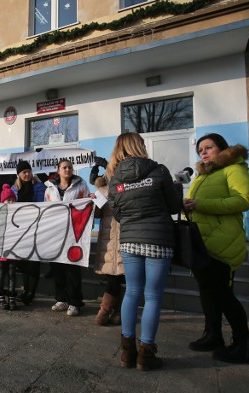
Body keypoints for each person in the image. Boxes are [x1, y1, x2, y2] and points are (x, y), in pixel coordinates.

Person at [107, 132, 181, 371]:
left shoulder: (115, 179)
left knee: (131, 292)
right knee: (153, 296)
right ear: (139, 146)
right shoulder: (159, 170)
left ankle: (127, 353)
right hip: (158, 238)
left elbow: (118, 214)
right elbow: (173, 206)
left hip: (130, 240)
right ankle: (146, 354)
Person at [184, 133, 249, 364]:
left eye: (209, 147)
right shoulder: (203, 175)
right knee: (207, 292)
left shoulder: (234, 169)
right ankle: (213, 335)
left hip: (223, 243)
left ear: (222, 148)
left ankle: (243, 345)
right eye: (200, 150)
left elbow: (242, 201)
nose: (203, 152)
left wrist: (199, 204)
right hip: (203, 243)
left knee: (223, 295)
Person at [44, 159, 90, 317]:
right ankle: (61, 299)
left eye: (70, 167)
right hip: (55, 233)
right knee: (57, 268)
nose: (67, 170)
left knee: (72, 268)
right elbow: (46, 209)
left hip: (73, 233)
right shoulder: (50, 188)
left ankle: (75, 302)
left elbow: (87, 204)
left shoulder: (81, 185)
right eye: (64, 167)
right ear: (58, 170)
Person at [89, 157, 124, 326]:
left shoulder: (126, 186)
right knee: (113, 275)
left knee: (123, 275)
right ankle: (112, 311)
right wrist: (93, 202)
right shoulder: (102, 188)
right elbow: (95, 215)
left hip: (126, 234)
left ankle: (110, 311)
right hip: (108, 237)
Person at [10, 160, 45, 306]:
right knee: (23, 262)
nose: (27, 174)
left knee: (33, 262)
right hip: (20, 229)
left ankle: (31, 293)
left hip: (35, 227)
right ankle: (25, 290)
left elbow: (41, 205)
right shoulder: (14, 188)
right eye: (24, 172)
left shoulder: (38, 186)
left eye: (29, 171)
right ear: (19, 174)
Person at [0, 184, 18, 311]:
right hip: (1, 250)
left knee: (12, 274)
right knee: (0, 274)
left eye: (12, 200)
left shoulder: (19, 215)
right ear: (2, 201)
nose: (11, 202)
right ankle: (0, 296)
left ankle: (12, 297)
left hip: (13, 250)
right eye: (8, 200)